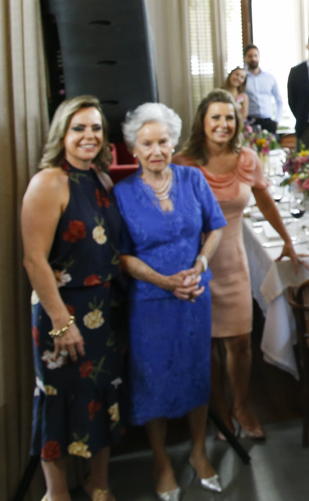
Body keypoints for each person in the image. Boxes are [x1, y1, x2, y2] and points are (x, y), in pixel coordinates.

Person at [174, 89, 304, 443]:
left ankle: (242, 406)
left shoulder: (247, 159)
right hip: (195, 265)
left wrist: (287, 240)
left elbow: (265, 201)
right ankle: (220, 411)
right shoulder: (183, 163)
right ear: (202, 121)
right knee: (208, 347)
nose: (223, 124)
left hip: (234, 263)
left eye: (229, 117)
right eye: (215, 117)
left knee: (241, 343)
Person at [114, 103, 227, 499]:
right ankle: (161, 461)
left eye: (163, 141)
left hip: (194, 296)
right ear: (134, 148)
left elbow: (216, 228)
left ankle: (198, 451)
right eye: (147, 143)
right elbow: (121, 256)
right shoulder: (122, 193)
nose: (156, 150)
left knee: (197, 372)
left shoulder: (193, 179)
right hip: (149, 302)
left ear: (173, 142)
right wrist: (164, 281)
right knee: (153, 380)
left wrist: (200, 263)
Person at [22, 97, 126, 501]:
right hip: (61, 311)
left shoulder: (101, 179)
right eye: (79, 128)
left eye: (96, 128)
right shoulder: (49, 182)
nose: (89, 136)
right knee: (59, 402)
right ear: (61, 134)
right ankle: (57, 495)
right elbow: (34, 260)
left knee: (101, 395)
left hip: (103, 308)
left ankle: (99, 485)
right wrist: (61, 323)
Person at [243, 44, 283, 134]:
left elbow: (279, 100)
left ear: (259, 57)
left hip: (268, 122)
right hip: (250, 123)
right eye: (250, 56)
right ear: (245, 58)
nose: (253, 59)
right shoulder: (242, 78)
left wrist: (277, 120)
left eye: (255, 55)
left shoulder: (270, 77)